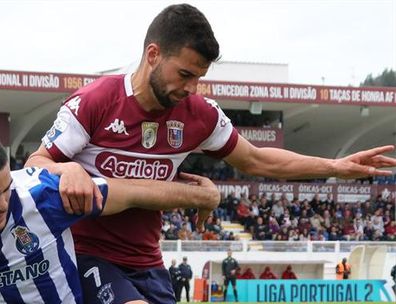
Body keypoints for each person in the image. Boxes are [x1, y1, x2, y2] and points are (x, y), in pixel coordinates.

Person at [25, 3, 396, 303]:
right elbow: (35, 162)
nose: (191, 87)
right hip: (87, 254)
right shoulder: (97, 101)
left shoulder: (199, 115)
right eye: (184, 73)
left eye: (199, 77)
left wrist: (335, 166)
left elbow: (257, 160)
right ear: (153, 54)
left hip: (148, 261)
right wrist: (67, 171)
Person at [0, 127, 220, 304]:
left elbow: (133, 192)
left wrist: (203, 195)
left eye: (4, 188)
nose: (1, 203)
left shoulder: (42, 196)